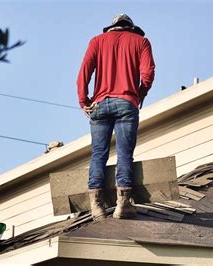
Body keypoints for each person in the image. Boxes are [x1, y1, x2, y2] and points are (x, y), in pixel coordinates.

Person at [76, 14, 155, 220]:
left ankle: (96, 206)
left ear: (112, 27)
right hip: (126, 103)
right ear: (131, 27)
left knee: (98, 154)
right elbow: (147, 74)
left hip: (100, 105)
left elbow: (84, 71)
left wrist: (83, 101)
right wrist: (138, 94)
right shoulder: (141, 42)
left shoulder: (97, 41)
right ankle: (123, 204)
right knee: (124, 153)